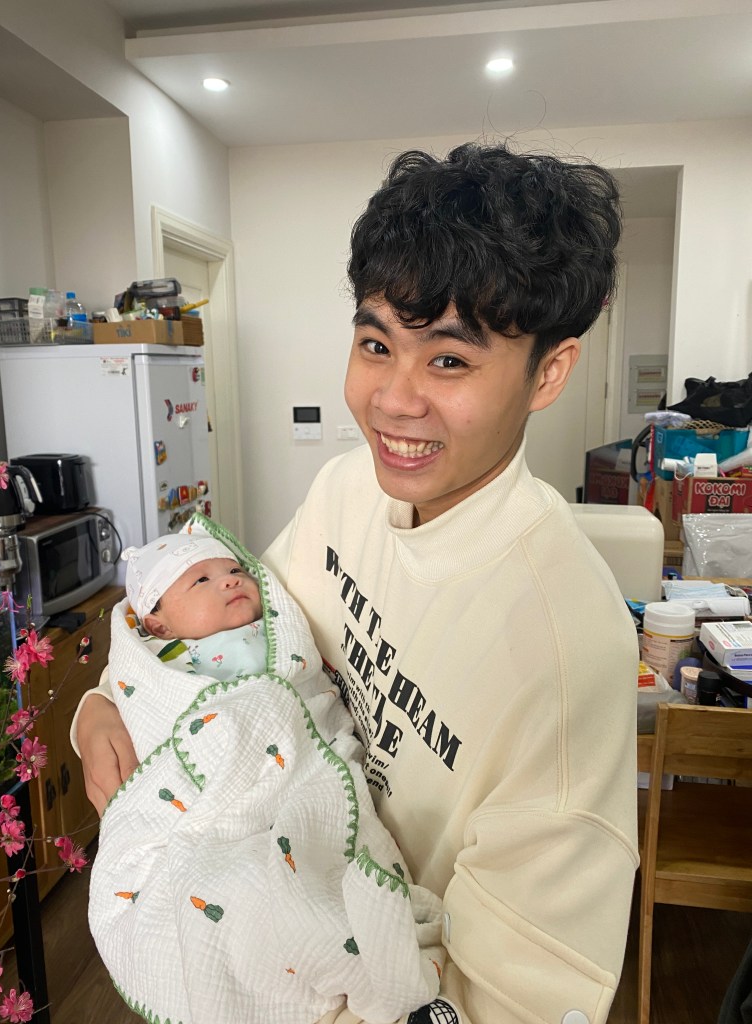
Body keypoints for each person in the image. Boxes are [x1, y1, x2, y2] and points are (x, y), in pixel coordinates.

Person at [75, 141, 640, 1024]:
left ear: (551, 372)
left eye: (449, 361)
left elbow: (511, 1000)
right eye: (377, 344)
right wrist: (104, 701)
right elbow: (241, 631)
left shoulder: (568, 650)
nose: (393, 399)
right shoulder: (348, 490)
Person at [88, 522, 443, 1024]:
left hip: (299, 763)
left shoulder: (276, 633)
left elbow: (308, 686)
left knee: (313, 870)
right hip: (220, 788)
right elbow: (145, 706)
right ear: (159, 625)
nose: (230, 580)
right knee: (228, 887)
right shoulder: (163, 664)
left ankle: (366, 962)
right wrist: (95, 704)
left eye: (234, 570)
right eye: (201, 581)